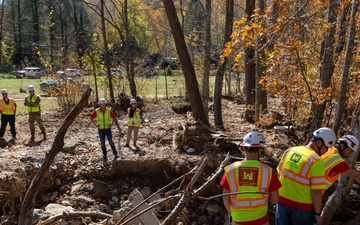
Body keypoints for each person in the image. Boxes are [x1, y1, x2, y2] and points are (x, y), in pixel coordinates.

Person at [276, 127, 336, 225]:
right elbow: (316, 191)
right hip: (302, 209)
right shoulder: (316, 161)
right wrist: (317, 213)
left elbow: (279, 173)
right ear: (319, 143)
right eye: (327, 148)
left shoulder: (290, 150)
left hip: (282, 204)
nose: (326, 151)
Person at [220, 131, 282, 225]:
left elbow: (225, 197)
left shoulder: (230, 170)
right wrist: (265, 198)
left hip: (238, 219)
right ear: (260, 149)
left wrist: (230, 213)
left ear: (243, 148)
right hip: (260, 219)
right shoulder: (268, 172)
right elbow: (275, 199)